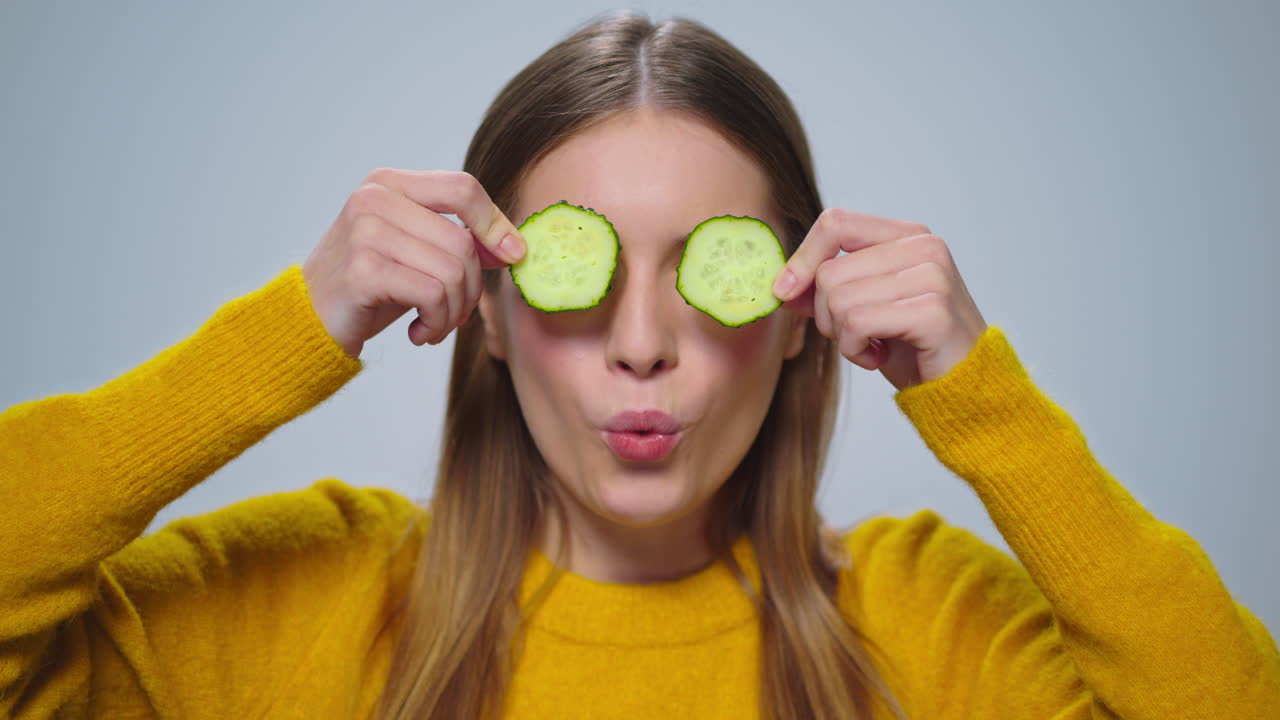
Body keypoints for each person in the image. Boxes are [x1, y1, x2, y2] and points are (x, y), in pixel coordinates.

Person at [1, 10, 1276, 720]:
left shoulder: (929, 623)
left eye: (705, 268)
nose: (642, 342)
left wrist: (981, 398)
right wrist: (298, 322)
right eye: (581, 264)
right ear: (488, 307)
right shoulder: (298, 603)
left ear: (795, 315)